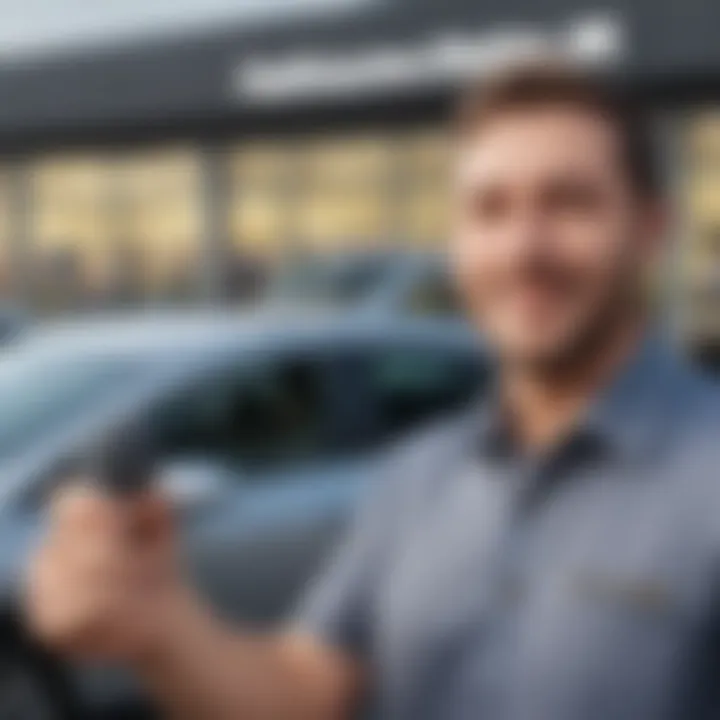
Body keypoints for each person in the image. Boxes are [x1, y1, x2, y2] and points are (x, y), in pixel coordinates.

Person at [25, 61, 720, 720]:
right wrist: (162, 626)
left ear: (650, 231)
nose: (522, 249)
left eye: (568, 203)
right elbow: (303, 691)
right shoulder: (417, 478)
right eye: (489, 211)